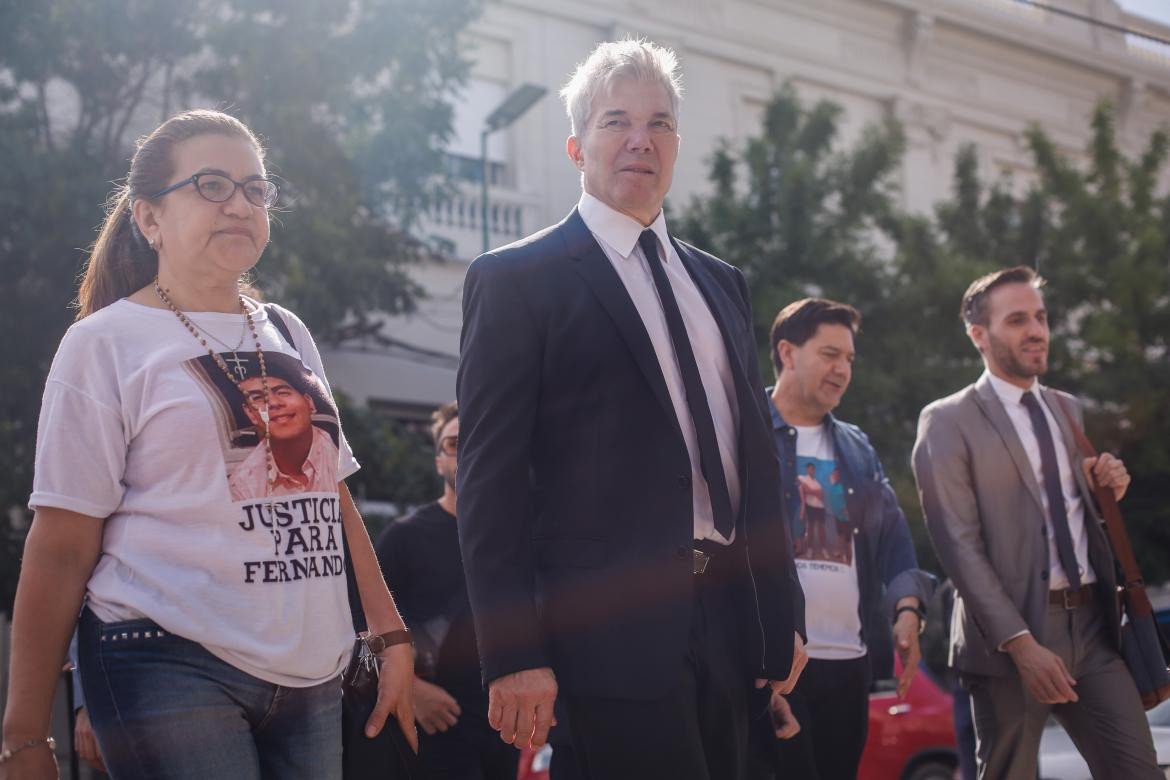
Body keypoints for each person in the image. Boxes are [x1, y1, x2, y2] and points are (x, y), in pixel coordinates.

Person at [0, 109, 415, 780]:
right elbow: (60, 545)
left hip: (311, 667)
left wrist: (389, 632)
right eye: (212, 185)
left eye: (255, 189)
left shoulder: (286, 331)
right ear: (150, 218)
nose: (240, 204)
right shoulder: (103, 343)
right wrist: (23, 735)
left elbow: (329, 491)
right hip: (165, 656)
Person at [456, 39, 806, 780]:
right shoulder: (517, 280)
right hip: (608, 633)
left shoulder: (721, 284)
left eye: (660, 122)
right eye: (617, 121)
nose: (641, 138)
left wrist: (781, 611)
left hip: (732, 622)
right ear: (578, 146)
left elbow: (755, 459)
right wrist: (514, 652)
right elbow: (490, 483)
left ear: (677, 143)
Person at [911, 266, 1161, 780]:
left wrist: (1106, 491)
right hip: (1007, 637)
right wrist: (1021, 643)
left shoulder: (1068, 410)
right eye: (1019, 319)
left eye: (1042, 318)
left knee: (1140, 771)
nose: (1037, 331)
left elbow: (1065, 517)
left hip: (1092, 625)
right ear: (979, 335)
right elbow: (958, 545)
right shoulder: (948, 420)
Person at [748, 298, 934, 780]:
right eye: (830, 354)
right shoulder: (746, 431)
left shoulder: (856, 445)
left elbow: (891, 532)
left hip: (849, 661)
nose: (843, 369)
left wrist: (908, 609)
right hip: (773, 662)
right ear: (787, 353)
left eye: (849, 358)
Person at [375, 402, 519, 780]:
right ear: (438, 460)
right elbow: (361, 622)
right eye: (454, 443)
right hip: (434, 727)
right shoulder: (404, 538)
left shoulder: (520, 536)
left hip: (508, 729)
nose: (466, 451)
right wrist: (412, 689)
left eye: (476, 440)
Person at [229, 365, 341, 499]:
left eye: (283, 392)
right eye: (258, 398)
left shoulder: (332, 447)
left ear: (309, 402)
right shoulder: (243, 483)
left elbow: (346, 512)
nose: (274, 403)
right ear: (250, 414)